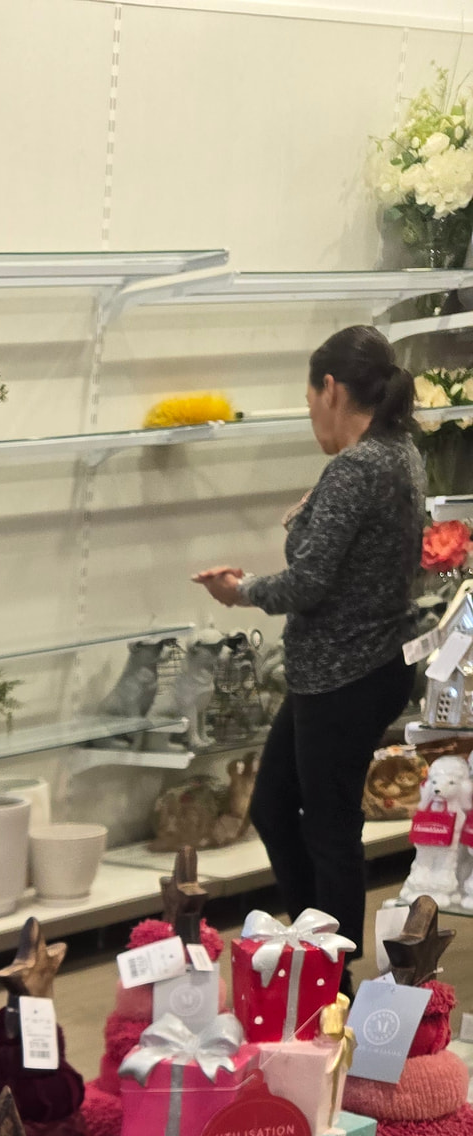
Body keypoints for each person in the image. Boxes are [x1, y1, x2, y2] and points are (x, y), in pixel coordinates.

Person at [192, 324, 425, 967]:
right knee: (276, 807)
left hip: (343, 674)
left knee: (328, 828)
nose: (311, 417)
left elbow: (309, 582)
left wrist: (239, 590)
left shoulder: (356, 468)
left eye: (309, 402)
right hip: (357, 668)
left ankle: (330, 977)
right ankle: (311, 949)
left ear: (330, 389)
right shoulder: (399, 451)